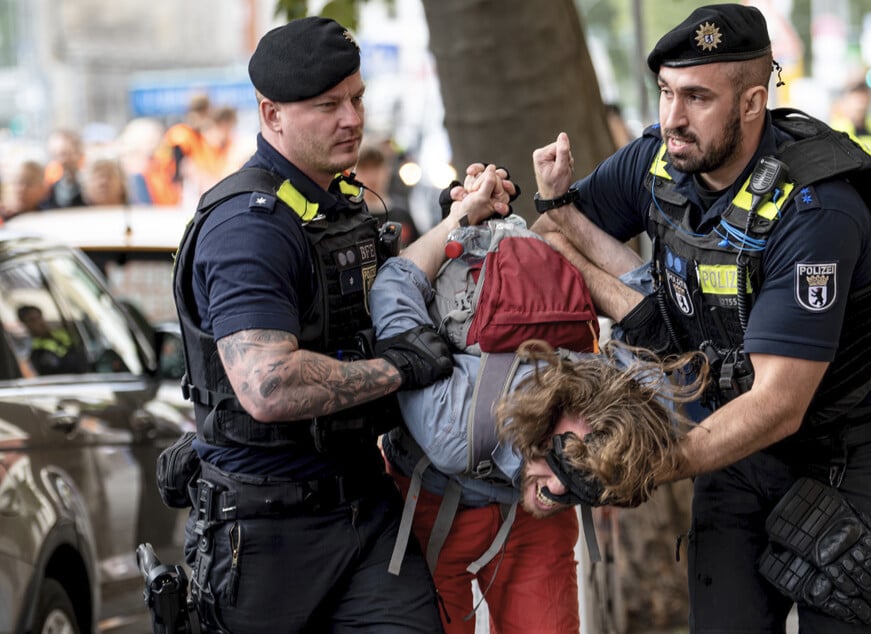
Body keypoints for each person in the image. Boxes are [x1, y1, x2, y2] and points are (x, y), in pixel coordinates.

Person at [530, 4, 871, 632]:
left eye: (696, 97)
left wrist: (644, 462)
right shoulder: (661, 161)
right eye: (665, 91)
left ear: (751, 102)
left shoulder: (817, 206)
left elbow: (778, 403)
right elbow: (551, 234)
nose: (672, 119)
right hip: (734, 450)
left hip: (849, 460)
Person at [169, 17, 507, 633]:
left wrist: (463, 218)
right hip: (268, 536)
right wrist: (396, 368)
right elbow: (268, 387)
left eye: (356, 98)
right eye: (328, 106)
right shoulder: (249, 226)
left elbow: (389, 279)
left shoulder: (333, 201)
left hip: (363, 511)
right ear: (272, 116)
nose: (352, 118)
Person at [369, 178, 704, 632]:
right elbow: (394, 281)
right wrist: (459, 218)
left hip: (529, 527)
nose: (560, 491)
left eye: (581, 480)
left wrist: (558, 246)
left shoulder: (632, 400)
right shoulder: (454, 426)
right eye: (561, 462)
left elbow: (647, 302)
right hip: (436, 503)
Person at [357, 141, 420, 249]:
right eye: (364, 169)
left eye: (376, 167)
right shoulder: (352, 216)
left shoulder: (401, 213)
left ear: (387, 170)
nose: (372, 176)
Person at [830, 79, 871, 166]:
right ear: (846, 101)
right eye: (856, 100)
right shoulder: (836, 130)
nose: (860, 105)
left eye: (863, 100)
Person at [16, 304, 88, 375]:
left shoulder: (63, 333)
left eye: (39, 317)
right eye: (32, 320)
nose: (39, 322)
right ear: (24, 324)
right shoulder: (30, 348)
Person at [42, 128, 86, 208]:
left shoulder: (89, 189)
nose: (63, 161)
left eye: (66, 154)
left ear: (79, 153)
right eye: (57, 155)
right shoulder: (49, 191)